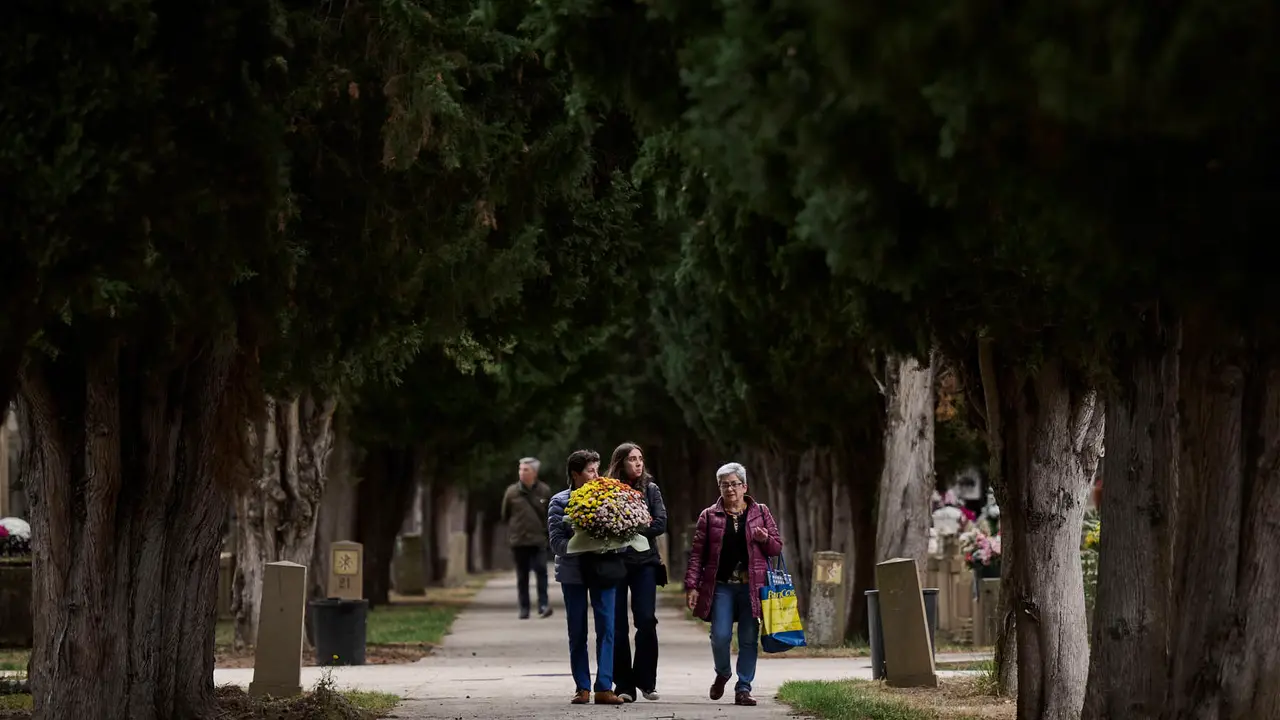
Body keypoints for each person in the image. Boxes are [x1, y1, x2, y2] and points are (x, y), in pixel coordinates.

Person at [684, 462, 783, 707]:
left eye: (734, 484)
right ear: (719, 487)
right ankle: (723, 672)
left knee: (749, 638)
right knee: (720, 636)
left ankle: (744, 688)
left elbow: (776, 547)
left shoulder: (760, 511)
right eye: (724, 485)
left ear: (744, 486)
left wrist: (765, 538)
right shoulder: (709, 516)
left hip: (752, 586)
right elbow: (697, 554)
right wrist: (692, 586)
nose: (730, 489)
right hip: (722, 586)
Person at [548, 450, 625, 705]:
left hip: (604, 571)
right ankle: (582, 687)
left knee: (607, 629)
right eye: (590, 470)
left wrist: (608, 541)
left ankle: (604, 686)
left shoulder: (610, 498)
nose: (596, 475)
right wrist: (582, 539)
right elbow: (556, 544)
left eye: (597, 470)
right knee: (577, 631)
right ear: (575, 474)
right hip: (573, 573)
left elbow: (623, 539)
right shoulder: (559, 502)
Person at [606, 442, 667, 703]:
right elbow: (602, 523)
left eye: (640, 458)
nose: (638, 463)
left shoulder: (651, 490)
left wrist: (630, 527)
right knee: (618, 626)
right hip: (616, 564)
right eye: (632, 459)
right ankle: (624, 684)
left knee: (646, 620)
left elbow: (660, 523)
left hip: (645, 563)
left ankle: (646, 681)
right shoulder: (607, 490)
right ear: (620, 463)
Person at [500, 457, 553, 619]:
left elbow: (549, 515)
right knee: (522, 575)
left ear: (534, 473)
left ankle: (543, 605)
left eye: (526, 470)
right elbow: (505, 515)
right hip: (519, 540)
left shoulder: (544, 491)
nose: (521, 473)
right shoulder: (511, 492)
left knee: (541, 571)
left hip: (538, 540)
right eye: (520, 469)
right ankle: (524, 608)